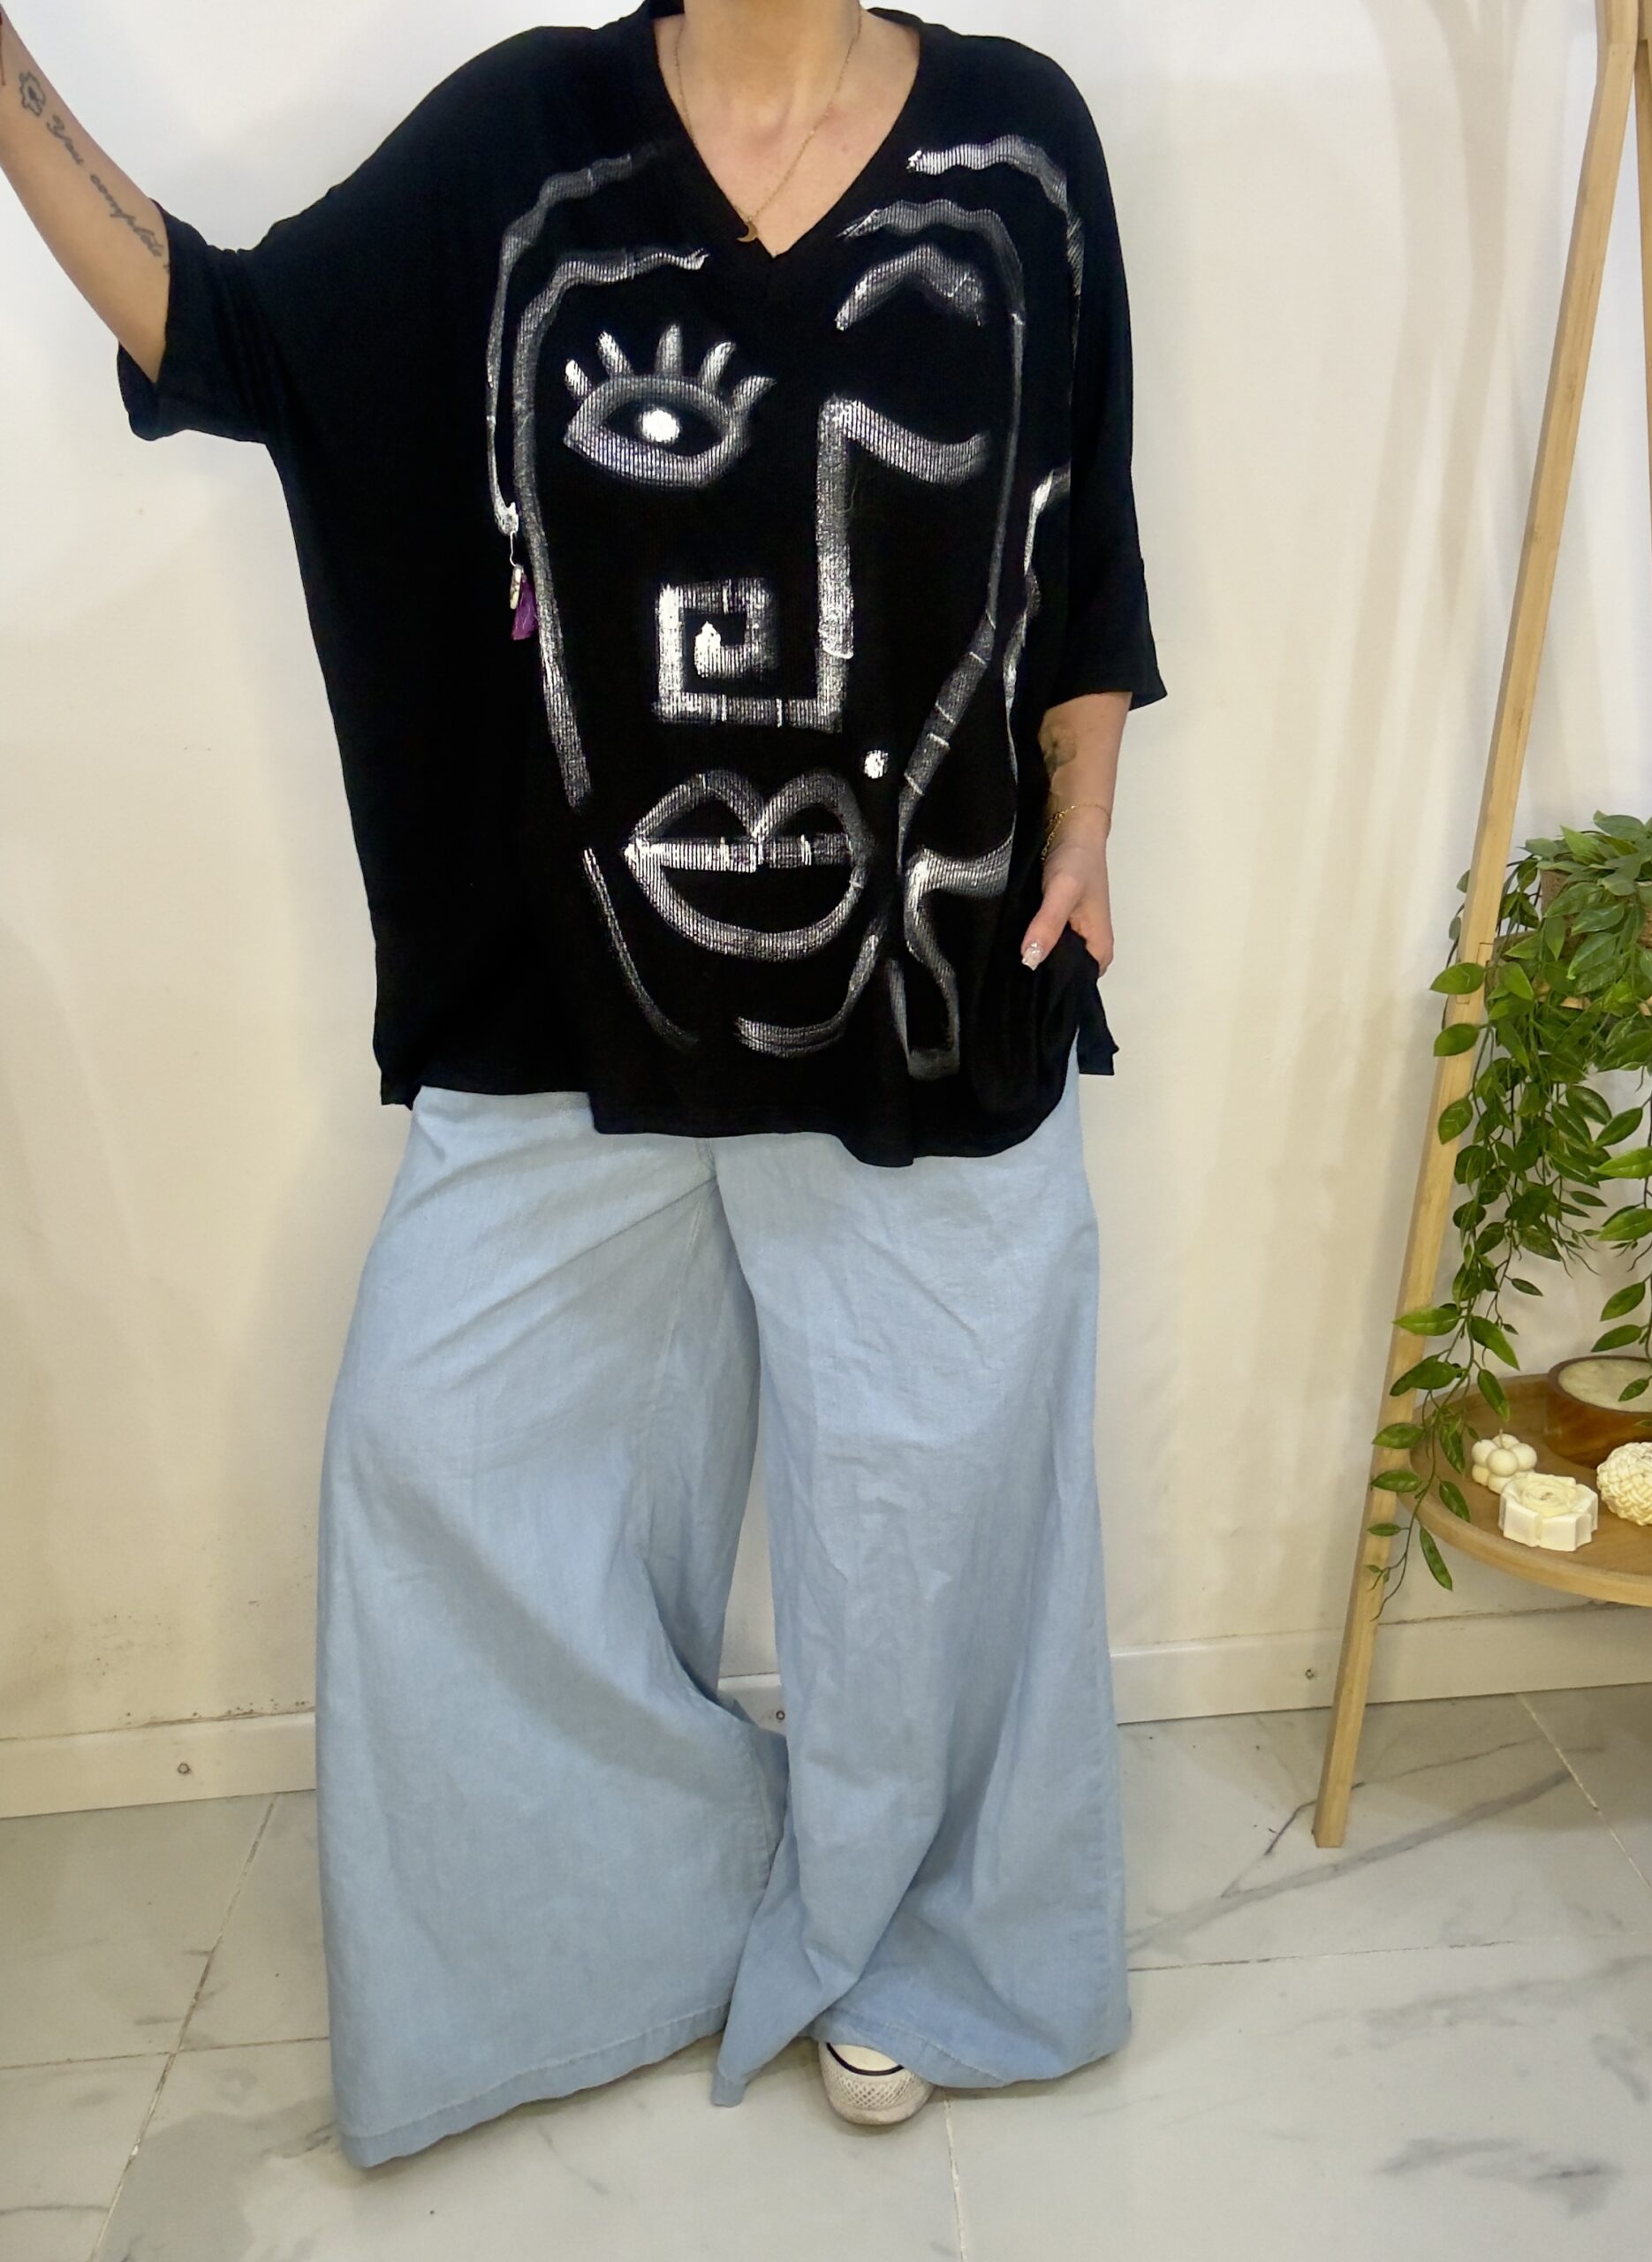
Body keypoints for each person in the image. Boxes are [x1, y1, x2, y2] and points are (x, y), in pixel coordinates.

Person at [1, 0, 1167, 2166]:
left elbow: (1077, 538)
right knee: (433, 1457)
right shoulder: (525, 140)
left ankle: (918, 1941)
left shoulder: (1021, 142)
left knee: (927, 1528)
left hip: (926, 987)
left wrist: (1087, 819)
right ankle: (656, 1905)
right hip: (579, 1005)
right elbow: (230, 335)